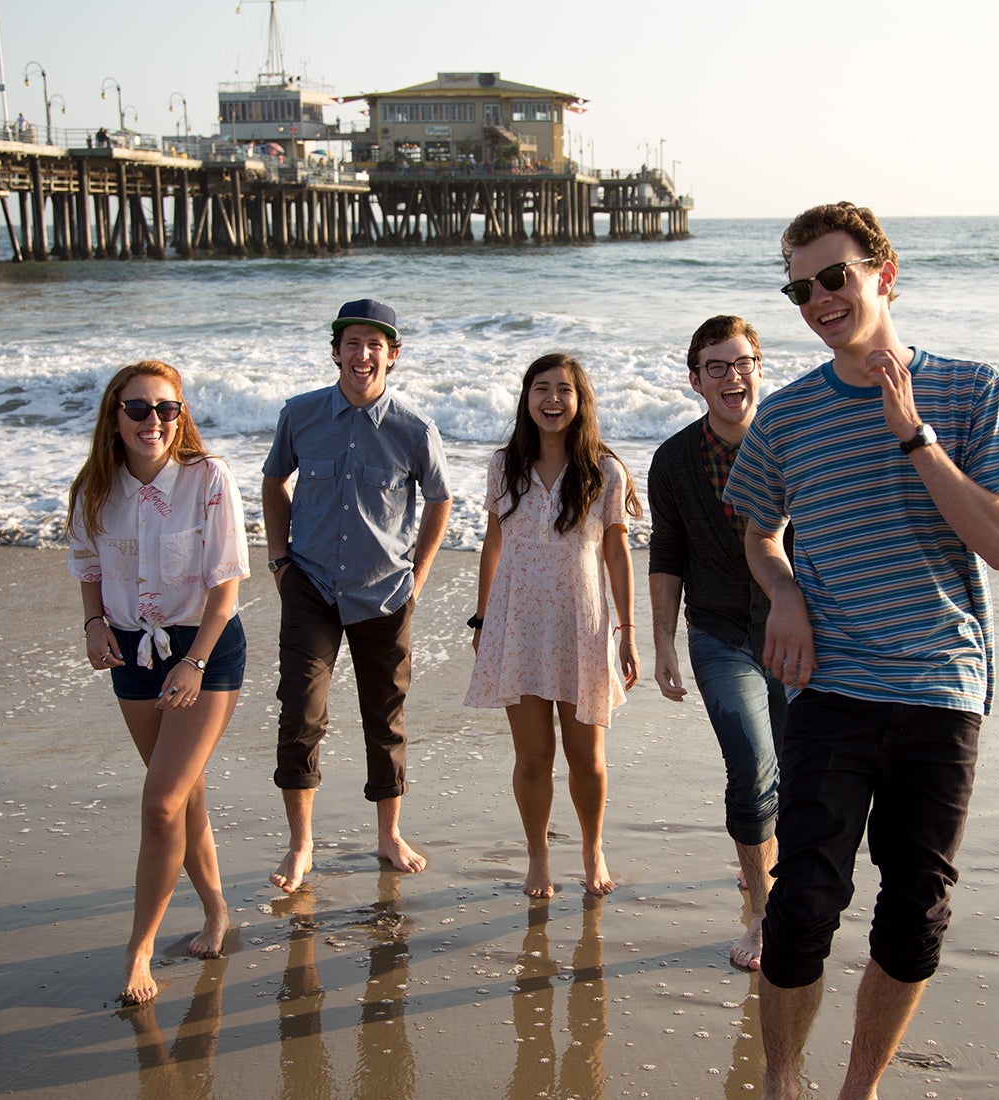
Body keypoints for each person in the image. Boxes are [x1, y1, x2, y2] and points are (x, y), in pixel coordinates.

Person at [722, 202, 999, 1100]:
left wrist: (915, 437)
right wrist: (784, 593)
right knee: (801, 910)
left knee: (913, 918)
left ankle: (856, 1091)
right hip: (832, 686)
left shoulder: (970, 390)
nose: (818, 299)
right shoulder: (785, 419)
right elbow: (758, 534)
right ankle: (784, 1087)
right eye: (799, 287)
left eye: (834, 277)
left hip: (943, 687)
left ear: (882, 275)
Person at [67, 360, 250, 1006]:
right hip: (130, 653)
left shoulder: (208, 480)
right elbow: (87, 562)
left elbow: (226, 587)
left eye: (167, 409)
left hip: (204, 647)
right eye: (139, 409)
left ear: (182, 416)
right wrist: (93, 622)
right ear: (114, 417)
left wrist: (193, 662)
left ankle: (138, 947)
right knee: (183, 795)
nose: (154, 422)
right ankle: (217, 911)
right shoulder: (94, 485)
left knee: (159, 803)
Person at [263, 298, 452, 889]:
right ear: (336, 351)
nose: (362, 354)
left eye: (375, 344)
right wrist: (278, 561)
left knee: (386, 720)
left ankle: (389, 835)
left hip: (384, 594)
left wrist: (416, 579)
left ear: (392, 357)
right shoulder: (301, 415)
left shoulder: (414, 429)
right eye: (352, 342)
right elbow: (274, 480)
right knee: (300, 714)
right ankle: (301, 846)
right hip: (311, 587)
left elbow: (441, 500)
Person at [464, 353, 641, 897]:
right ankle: (538, 856)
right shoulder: (503, 465)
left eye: (565, 390)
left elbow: (617, 553)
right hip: (517, 623)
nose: (553, 400)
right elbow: (492, 543)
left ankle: (592, 849)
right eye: (541, 389)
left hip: (581, 626)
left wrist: (628, 632)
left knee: (587, 758)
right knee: (533, 757)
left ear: (580, 401)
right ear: (526, 399)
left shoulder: (605, 471)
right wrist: (482, 615)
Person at [648, 315, 786, 969]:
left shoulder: (795, 441)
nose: (734, 377)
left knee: (794, 766)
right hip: (719, 633)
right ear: (696, 380)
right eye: (717, 367)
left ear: (760, 367)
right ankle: (763, 914)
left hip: (797, 630)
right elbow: (667, 554)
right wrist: (664, 644)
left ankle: (767, 861)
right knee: (752, 762)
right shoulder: (675, 460)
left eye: (744, 362)